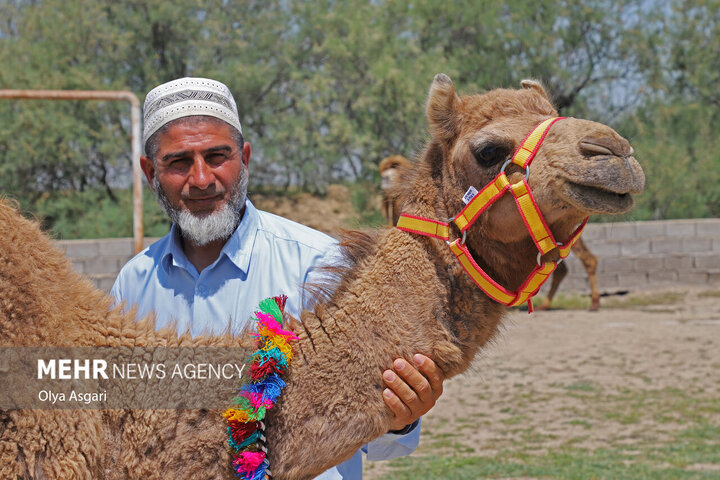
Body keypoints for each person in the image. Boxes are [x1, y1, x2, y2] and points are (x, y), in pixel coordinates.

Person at [111, 77, 445, 479]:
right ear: (150, 171)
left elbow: (377, 437)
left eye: (217, 156)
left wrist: (400, 415)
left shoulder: (318, 266)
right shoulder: (134, 286)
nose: (201, 178)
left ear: (245, 158)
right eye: (179, 162)